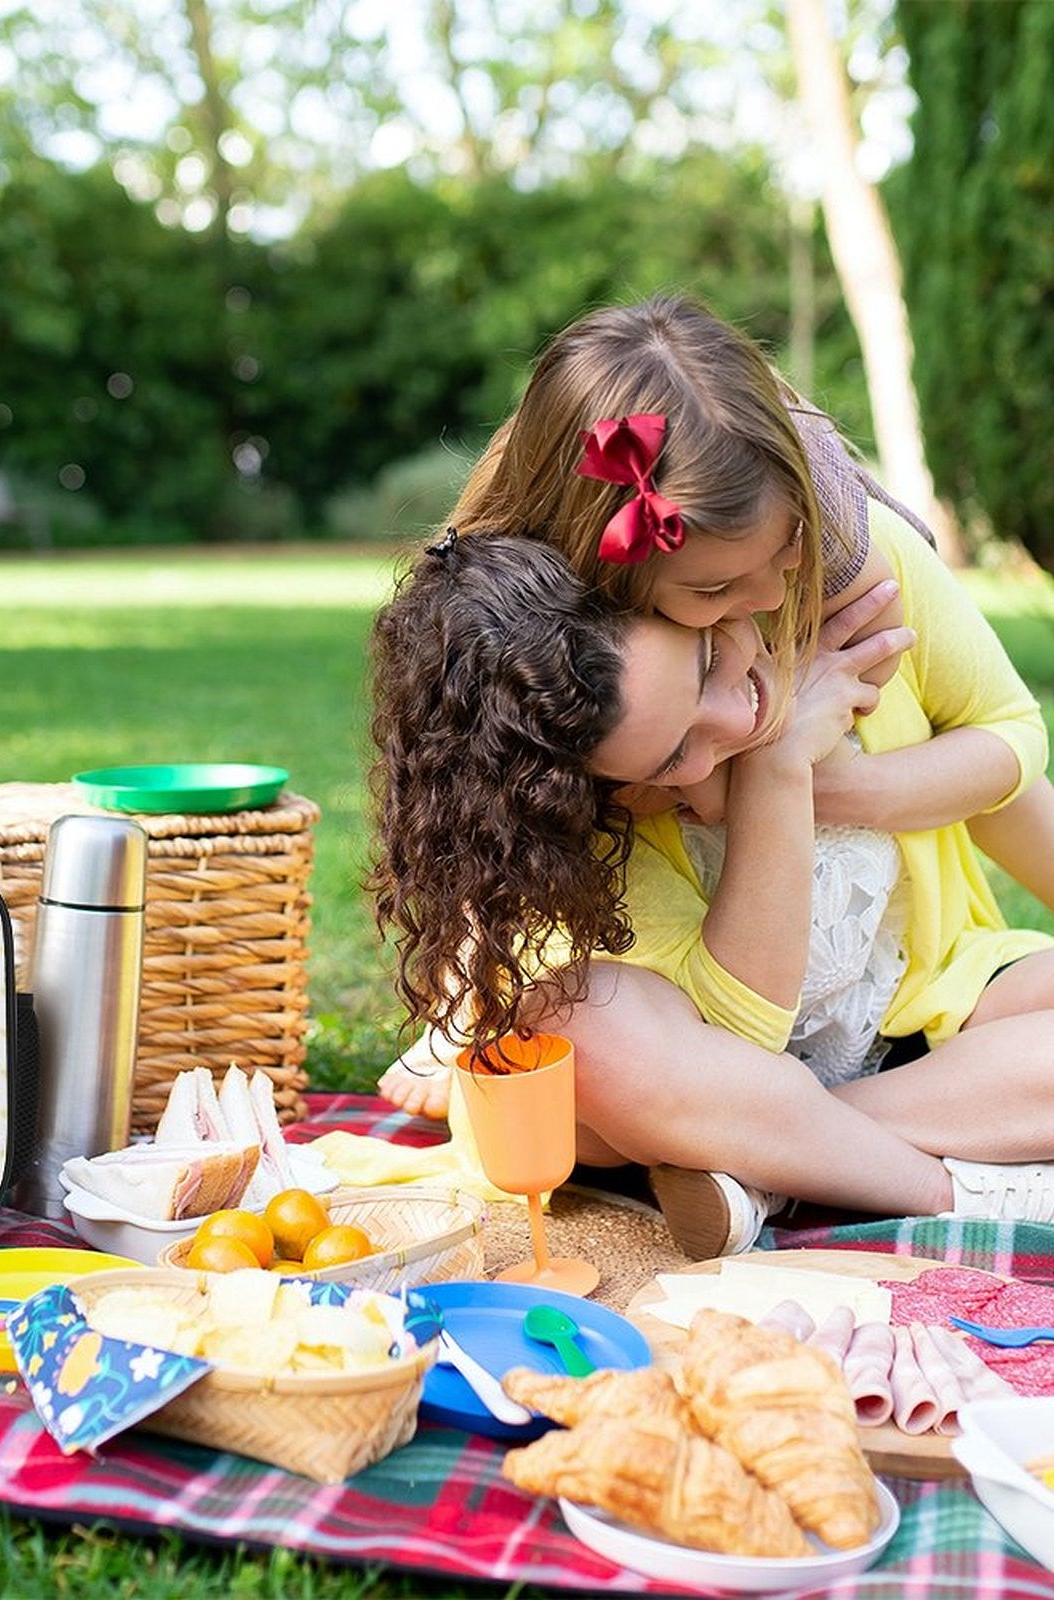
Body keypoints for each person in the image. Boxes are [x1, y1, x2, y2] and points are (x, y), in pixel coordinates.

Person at [375, 294, 1054, 1130]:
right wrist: (766, 770)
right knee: (583, 1068)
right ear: (606, 575)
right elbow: (498, 839)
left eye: (787, 549)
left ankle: (803, 1145)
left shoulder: (857, 571)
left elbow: (1012, 738)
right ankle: (808, 1135)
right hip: (706, 1029)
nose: (769, 595)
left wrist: (823, 784)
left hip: (917, 988)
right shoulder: (576, 690)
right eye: (712, 592)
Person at [321, 525, 1054, 1258]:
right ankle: (954, 1189)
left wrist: (836, 782)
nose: (739, 721)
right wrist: (777, 768)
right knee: (580, 1026)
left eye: (709, 662)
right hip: (697, 1072)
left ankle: (772, 1171)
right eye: (674, 754)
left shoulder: (847, 586)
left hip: (913, 1018)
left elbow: (1009, 764)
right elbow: (741, 1043)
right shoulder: (586, 766)